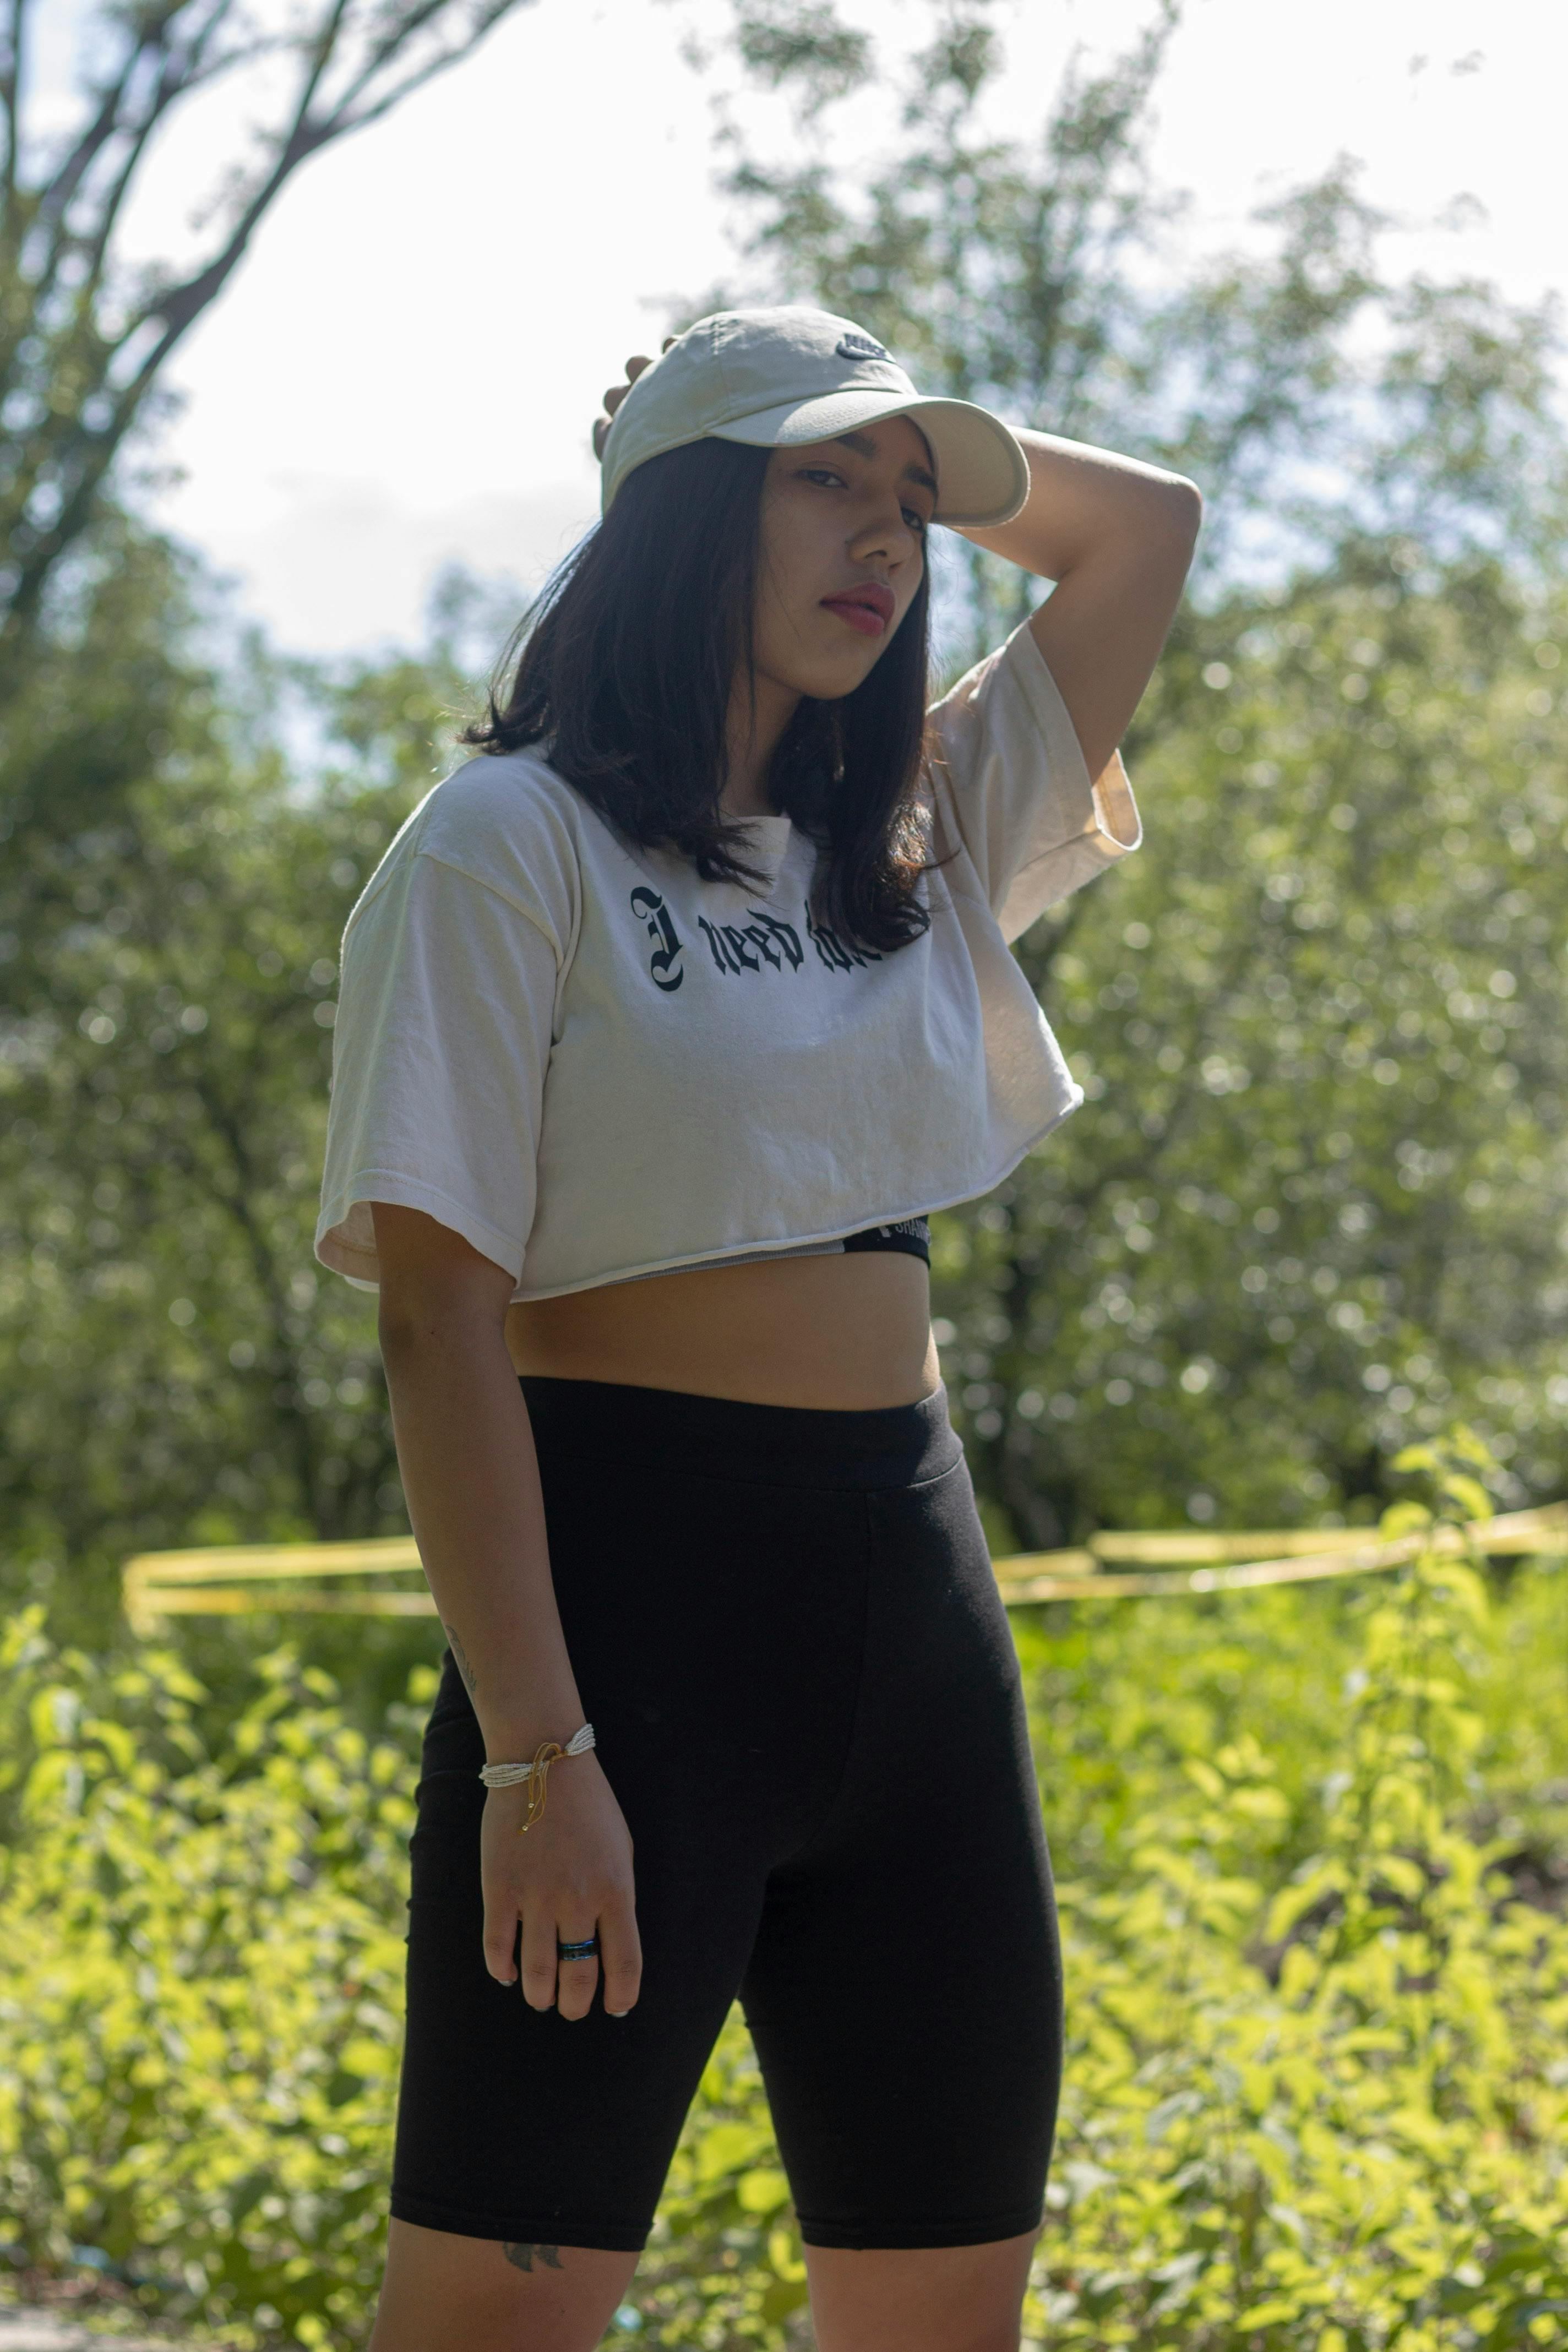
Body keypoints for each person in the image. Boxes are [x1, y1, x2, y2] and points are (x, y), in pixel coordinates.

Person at [315, 305, 1200, 2352]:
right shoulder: (503, 843)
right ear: (682, 515)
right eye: (823, 482)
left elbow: (1141, 528)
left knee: (938, 2322)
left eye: (912, 507)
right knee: (493, 2328)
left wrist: (912, 443)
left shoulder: (918, 834)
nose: (889, 544)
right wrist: (540, 1754)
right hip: (624, 1642)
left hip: (910, 1605)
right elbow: (439, 1327)